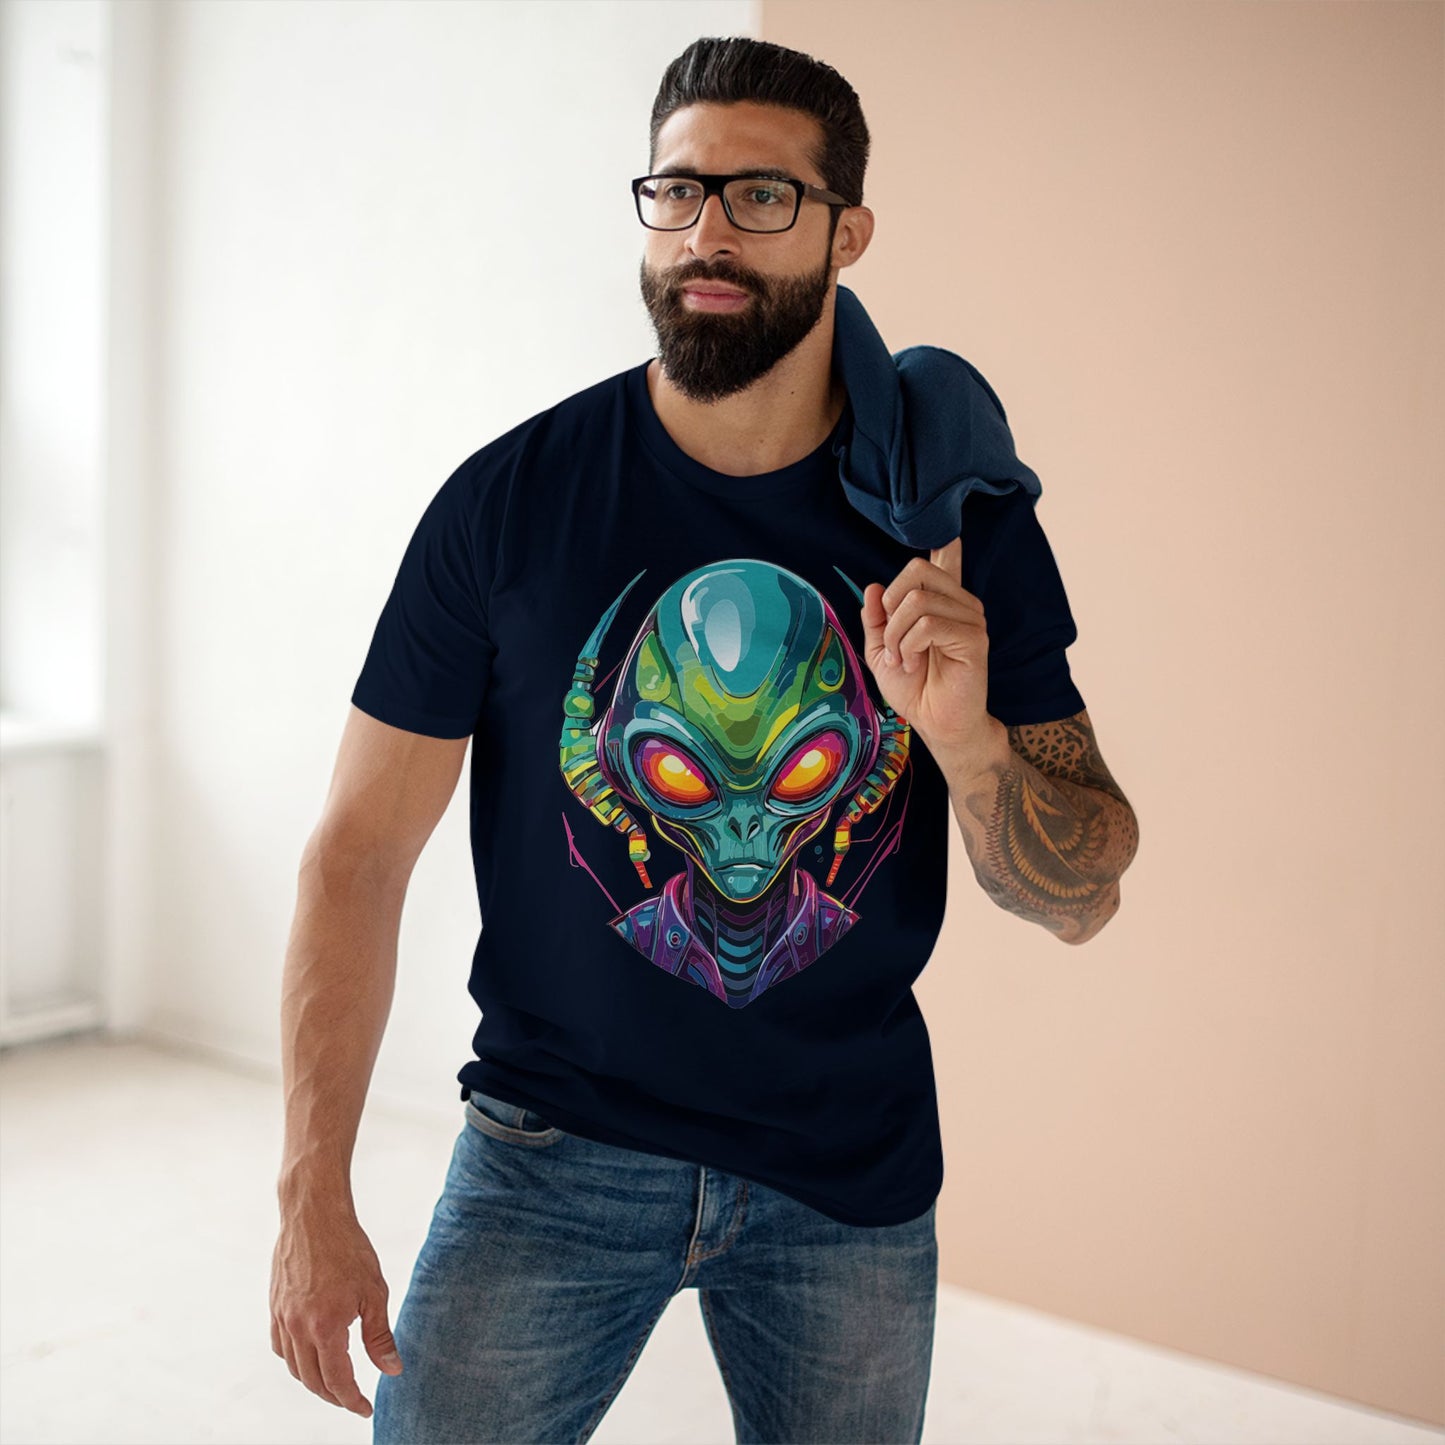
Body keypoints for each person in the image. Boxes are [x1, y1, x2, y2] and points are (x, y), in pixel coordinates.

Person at [269, 33, 1136, 1445]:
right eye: (676, 191)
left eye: (761, 196)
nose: (707, 233)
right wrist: (311, 1195)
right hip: (552, 1152)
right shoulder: (511, 505)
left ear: (848, 232)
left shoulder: (949, 523)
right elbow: (356, 855)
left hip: (841, 1178)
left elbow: (1083, 892)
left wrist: (966, 741)